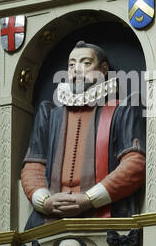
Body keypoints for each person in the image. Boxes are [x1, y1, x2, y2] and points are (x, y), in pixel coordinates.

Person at [20, 41, 145, 228]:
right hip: (49, 223)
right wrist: (45, 201)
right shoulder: (49, 114)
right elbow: (33, 167)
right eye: (71, 65)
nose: (77, 70)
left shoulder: (122, 109)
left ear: (103, 70)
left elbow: (135, 165)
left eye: (86, 63)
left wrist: (89, 199)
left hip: (107, 219)